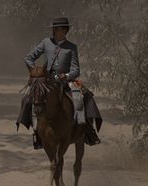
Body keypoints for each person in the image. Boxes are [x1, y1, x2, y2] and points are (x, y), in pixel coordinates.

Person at [17, 15, 101, 146]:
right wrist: (37, 72)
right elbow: (28, 58)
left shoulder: (71, 47)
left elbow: (76, 70)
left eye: (57, 29)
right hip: (45, 82)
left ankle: (88, 130)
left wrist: (66, 76)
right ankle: (36, 132)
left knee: (85, 97)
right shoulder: (46, 42)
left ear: (64, 30)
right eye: (54, 28)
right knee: (27, 99)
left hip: (67, 82)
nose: (54, 31)